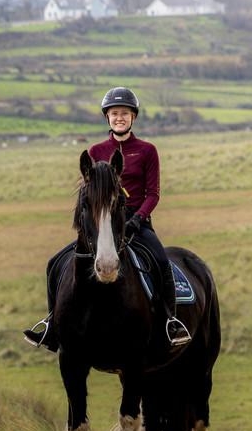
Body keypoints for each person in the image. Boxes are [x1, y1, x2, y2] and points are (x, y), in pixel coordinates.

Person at [24, 87, 192, 351]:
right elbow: (87, 194)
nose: (119, 117)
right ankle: (51, 326)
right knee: (53, 263)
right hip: (100, 224)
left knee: (162, 262)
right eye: (114, 113)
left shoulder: (147, 150)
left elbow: (154, 193)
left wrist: (137, 219)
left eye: (124, 113)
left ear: (133, 117)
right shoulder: (95, 151)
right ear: (107, 118)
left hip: (135, 223)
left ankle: (170, 322)